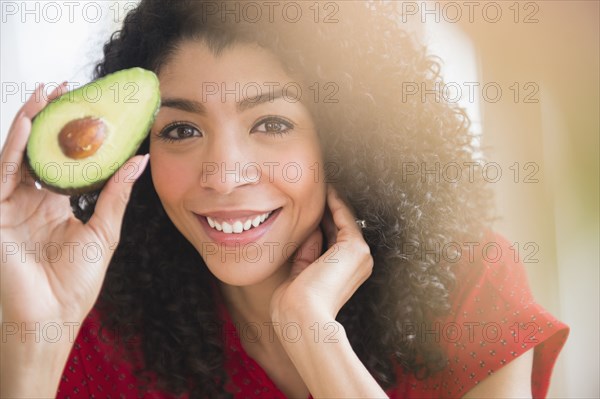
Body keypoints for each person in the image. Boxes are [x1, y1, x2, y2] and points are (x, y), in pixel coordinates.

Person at [0, 1, 568, 398]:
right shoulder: (95, 325)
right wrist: (33, 336)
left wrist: (314, 338)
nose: (223, 175)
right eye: (180, 131)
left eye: (271, 123)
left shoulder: (469, 283)